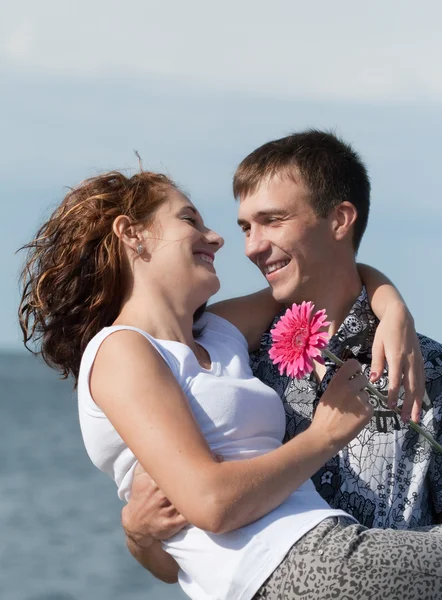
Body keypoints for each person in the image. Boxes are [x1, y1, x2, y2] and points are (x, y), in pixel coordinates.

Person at [19, 168, 442, 600]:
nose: (218, 237)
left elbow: (328, 280)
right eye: (189, 220)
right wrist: (325, 435)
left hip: (318, 549)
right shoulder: (120, 350)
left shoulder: (218, 334)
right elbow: (212, 504)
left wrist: (393, 310)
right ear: (132, 235)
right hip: (293, 568)